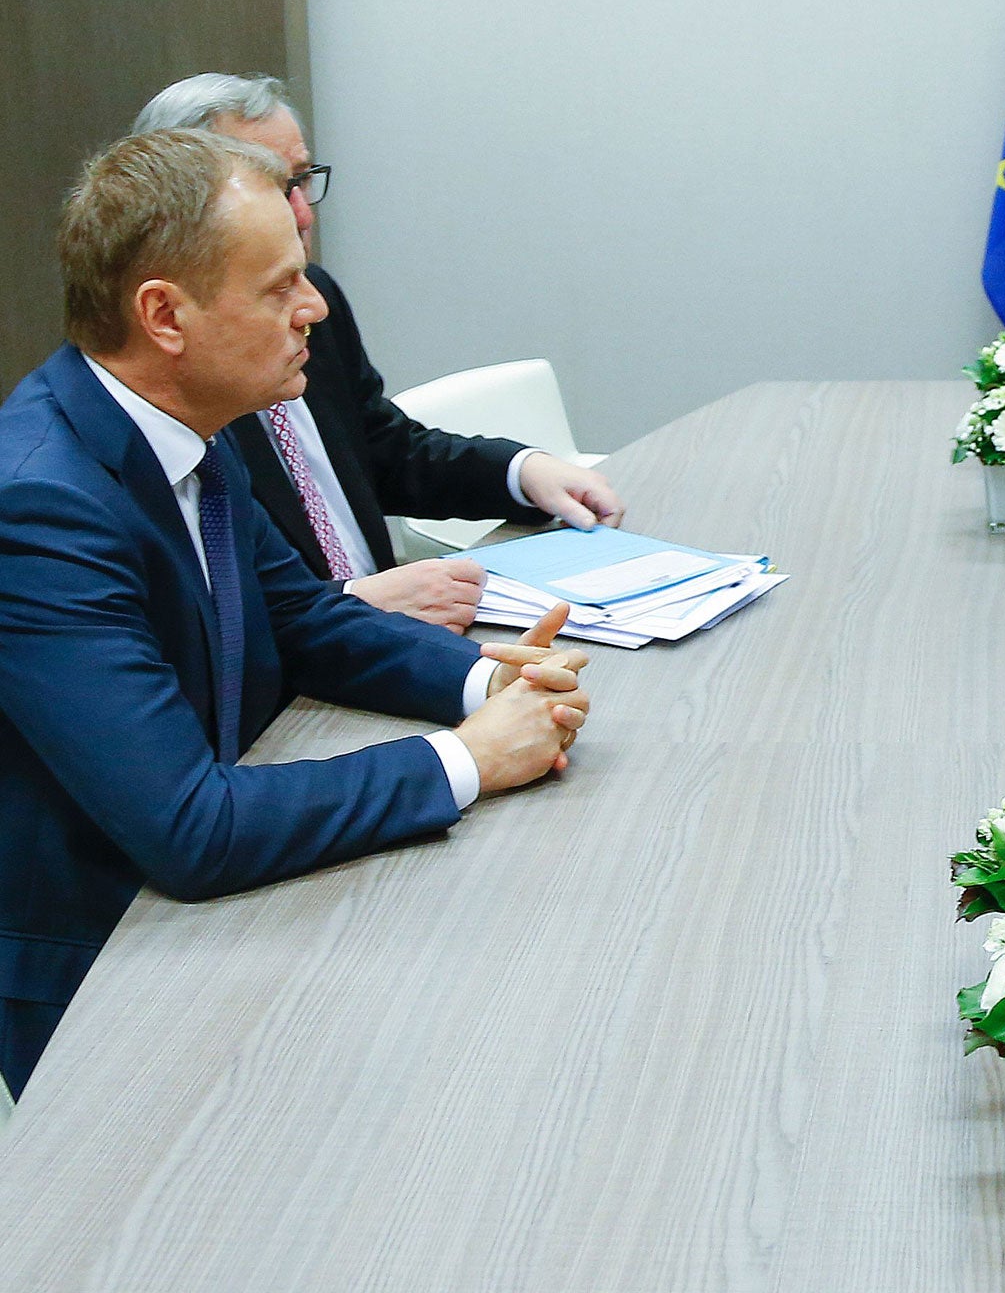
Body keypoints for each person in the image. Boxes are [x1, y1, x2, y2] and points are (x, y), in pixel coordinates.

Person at [0, 129, 595, 1098]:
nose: (314, 309)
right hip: (111, 984)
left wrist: (493, 679)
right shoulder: (39, 506)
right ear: (165, 316)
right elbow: (189, 826)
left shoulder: (190, 426)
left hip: (220, 917)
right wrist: (471, 757)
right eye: (279, 287)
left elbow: (307, 622)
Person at [132, 73, 624, 632]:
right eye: (272, 187)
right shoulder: (172, 381)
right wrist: (351, 600)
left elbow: (382, 448)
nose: (303, 213)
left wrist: (520, 470)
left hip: (404, 637)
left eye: (302, 180)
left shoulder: (314, 298)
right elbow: (197, 617)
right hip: (308, 676)